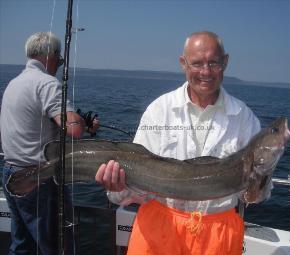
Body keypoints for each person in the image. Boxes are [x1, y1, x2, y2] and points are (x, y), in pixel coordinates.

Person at [96, 31, 263, 255]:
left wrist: (260, 180)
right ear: (183, 63)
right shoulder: (159, 111)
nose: (206, 72)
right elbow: (133, 189)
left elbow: (254, 196)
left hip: (217, 239)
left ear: (225, 62)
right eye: (197, 63)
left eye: (213, 62)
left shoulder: (244, 118)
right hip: (157, 232)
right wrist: (117, 188)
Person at [1, 31, 99, 255]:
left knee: (22, 244)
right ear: (51, 56)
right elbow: (74, 129)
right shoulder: (47, 84)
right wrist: (85, 124)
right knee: (56, 247)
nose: (60, 65)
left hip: (11, 173)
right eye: (61, 60)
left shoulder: (13, 85)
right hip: (40, 179)